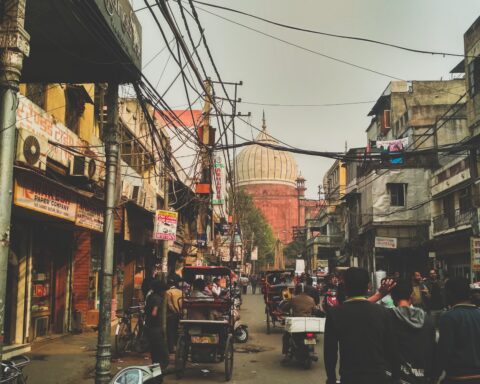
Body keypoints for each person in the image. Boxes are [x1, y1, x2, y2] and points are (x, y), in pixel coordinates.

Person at [324, 267, 395, 384]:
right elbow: (391, 348)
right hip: (378, 376)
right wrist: (395, 377)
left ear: (345, 287)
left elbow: (330, 352)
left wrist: (331, 379)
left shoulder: (335, 314)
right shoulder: (383, 312)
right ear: (368, 287)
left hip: (350, 377)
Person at [390, 279, 437, 384]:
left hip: (397, 377)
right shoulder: (427, 320)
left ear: (392, 296)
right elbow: (433, 350)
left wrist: (380, 294)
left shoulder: (387, 318)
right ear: (411, 295)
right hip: (422, 377)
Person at [437, 277, 480, 383]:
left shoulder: (448, 318)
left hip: (457, 378)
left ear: (450, 293)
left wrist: (434, 375)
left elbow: (444, 351)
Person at [281, 283, 316, 357]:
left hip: (296, 322)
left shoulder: (294, 299)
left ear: (297, 290)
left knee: (286, 335)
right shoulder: (311, 299)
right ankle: (312, 351)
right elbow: (315, 310)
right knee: (312, 335)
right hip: (308, 323)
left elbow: (285, 307)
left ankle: (286, 353)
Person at [145, 279, 169, 370]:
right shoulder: (158, 299)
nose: (165, 293)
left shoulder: (150, 296)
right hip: (156, 329)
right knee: (164, 356)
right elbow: (154, 312)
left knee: (155, 355)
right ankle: (158, 374)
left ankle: (155, 375)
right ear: (160, 290)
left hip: (149, 328)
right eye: (164, 291)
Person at [166, 277, 182, 354]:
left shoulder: (168, 292)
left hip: (171, 314)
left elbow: (169, 304)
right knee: (176, 330)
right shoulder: (180, 291)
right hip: (179, 313)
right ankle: (177, 346)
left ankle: (171, 348)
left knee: (170, 331)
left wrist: (175, 311)